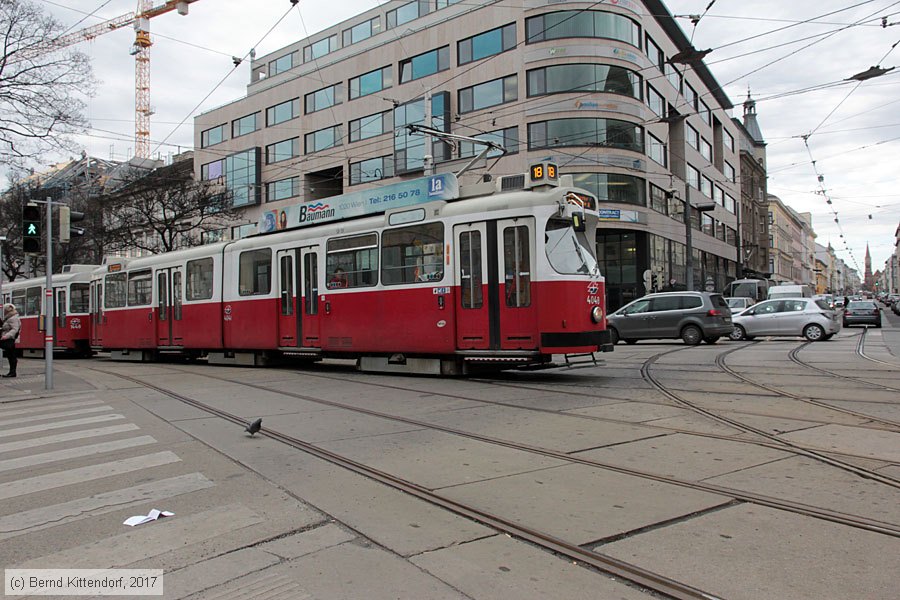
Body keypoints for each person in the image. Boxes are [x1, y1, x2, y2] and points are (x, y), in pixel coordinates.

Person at [1, 303, 21, 378]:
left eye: (4, 310)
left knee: (11, 356)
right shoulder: (9, 317)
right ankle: (12, 372)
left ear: (7, 310)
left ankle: (12, 372)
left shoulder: (13, 318)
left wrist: (6, 336)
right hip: (8, 339)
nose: (4, 312)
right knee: (11, 355)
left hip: (9, 339)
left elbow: (15, 329)